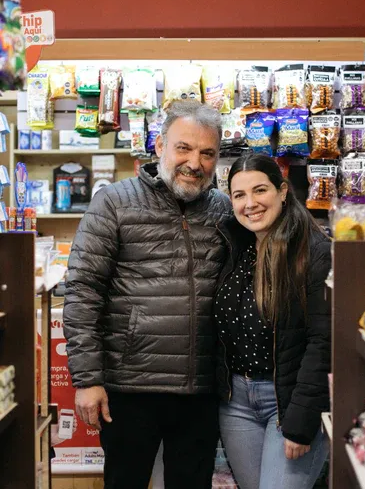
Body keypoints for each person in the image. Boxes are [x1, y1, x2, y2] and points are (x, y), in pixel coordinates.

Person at [63, 100, 232, 489]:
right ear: (159, 146)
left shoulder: (224, 210)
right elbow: (83, 292)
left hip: (200, 389)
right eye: (184, 148)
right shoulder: (115, 202)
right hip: (129, 388)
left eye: (207, 153)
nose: (195, 162)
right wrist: (87, 380)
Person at [215, 153, 331, 489]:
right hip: (236, 403)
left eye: (260, 190)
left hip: (288, 403)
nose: (250, 204)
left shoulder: (313, 250)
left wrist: (302, 422)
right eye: (239, 195)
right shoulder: (236, 247)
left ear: (282, 191)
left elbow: (322, 343)